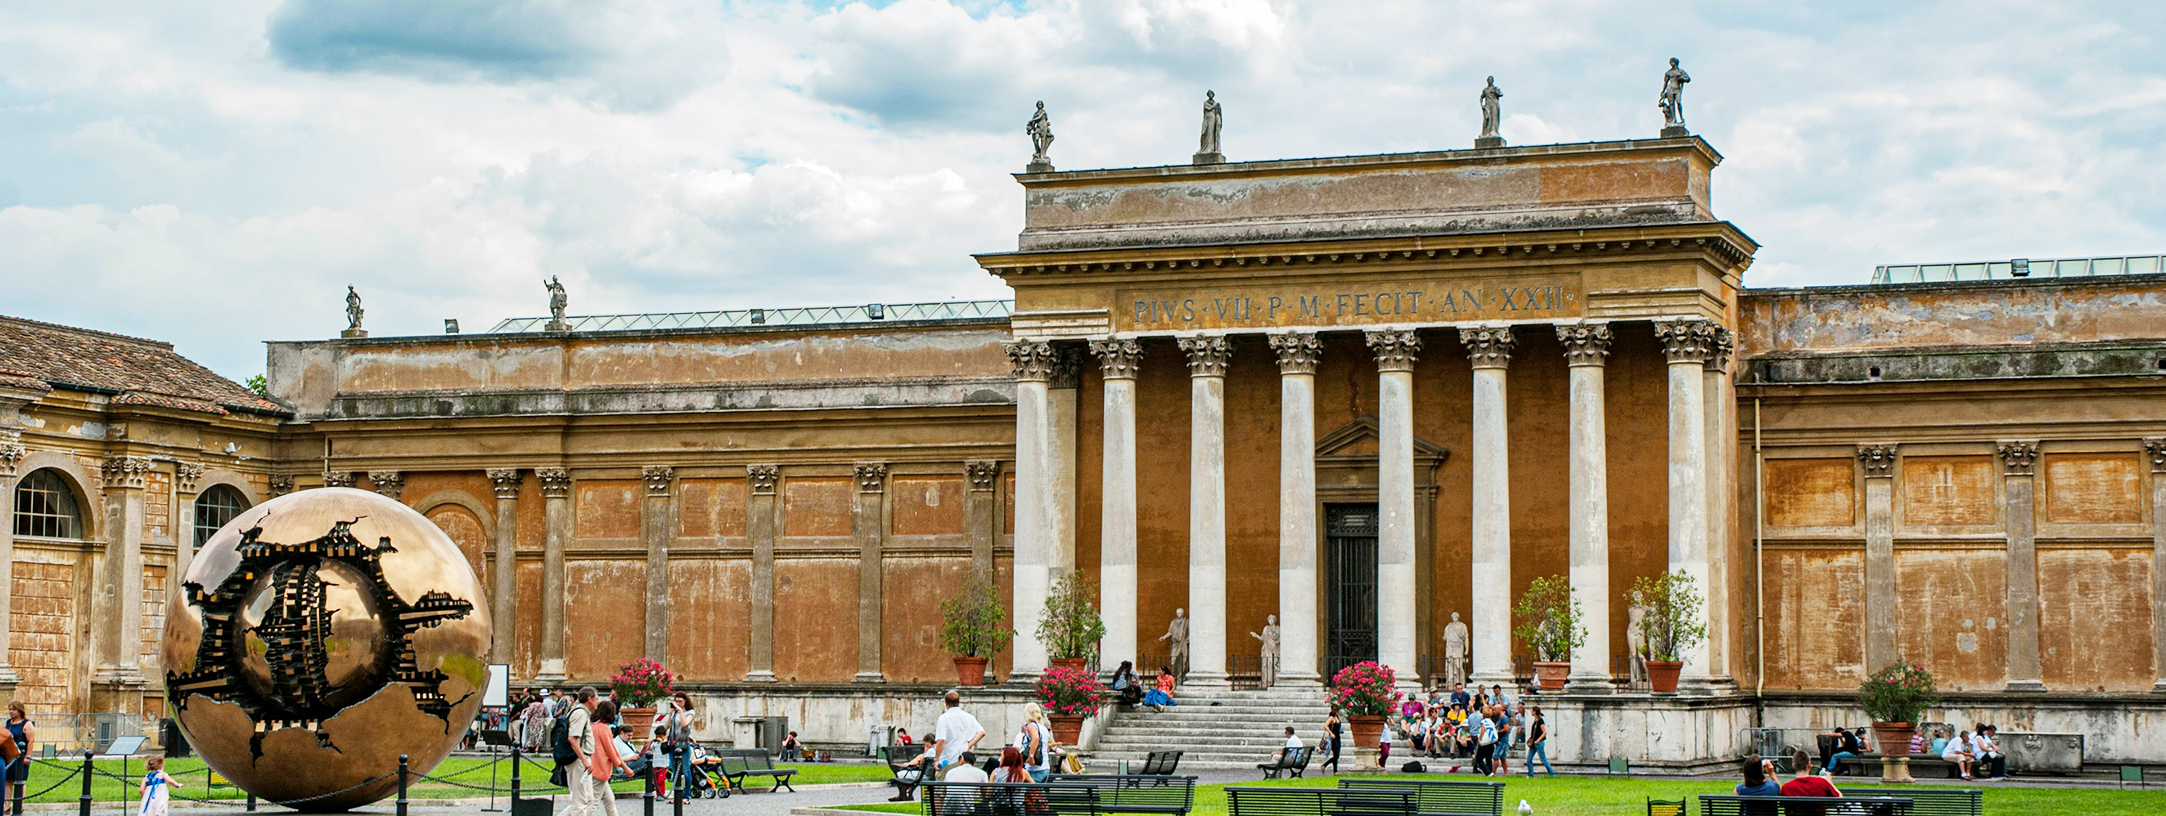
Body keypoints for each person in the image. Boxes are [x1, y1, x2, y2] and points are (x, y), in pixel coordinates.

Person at [585, 701, 633, 816]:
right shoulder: (604, 728)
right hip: (600, 768)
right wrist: (625, 768)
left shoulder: (593, 726)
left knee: (609, 800)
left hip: (593, 766)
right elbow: (611, 751)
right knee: (593, 802)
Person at [564, 688, 602, 816]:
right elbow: (572, 738)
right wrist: (584, 760)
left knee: (588, 798)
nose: (598, 702)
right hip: (578, 759)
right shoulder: (580, 713)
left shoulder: (582, 713)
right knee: (580, 801)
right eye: (596, 698)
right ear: (589, 699)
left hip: (582, 759)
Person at [934, 690, 986, 779]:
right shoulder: (969, 717)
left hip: (947, 759)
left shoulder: (944, 718)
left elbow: (941, 740)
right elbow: (981, 732)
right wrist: (969, 744)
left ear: (946, 703)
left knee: (940, 789)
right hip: (963, 757)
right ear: (959, 702)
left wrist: (936, 759)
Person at [1779, 749, 1841, 815]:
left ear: (1793, 765)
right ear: (1809, 765)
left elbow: (1786, 809)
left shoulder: (1787, 788)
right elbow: (1840, 799)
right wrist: (1829, 782)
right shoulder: (1822, 782)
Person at [662, 692, 695, 793]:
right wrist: (670, 714)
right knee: (675, 770)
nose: (678, 703)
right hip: (672, 743)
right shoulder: (675, 713)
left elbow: (685, 724)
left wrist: (680, 711)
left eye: (680, 701)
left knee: (685, 770)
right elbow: (665, 727)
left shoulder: (690, 712)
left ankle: (686, 794)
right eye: (676, 701)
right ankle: (677, 794)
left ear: (685, 701)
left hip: (683, 744)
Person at [888, 733, 937, 802]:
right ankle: (907, 793)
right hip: (931, 775)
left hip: (925, 776)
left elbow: (922, 764)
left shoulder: (930, 751)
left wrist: (925, 751)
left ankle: (903, 794)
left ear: (928, 742)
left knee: (901, 774)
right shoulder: (937, 750)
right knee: (908, 774)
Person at [1014, 704, 1053, 782]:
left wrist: (1031, 756)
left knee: (1029, 792)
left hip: (1034, 769)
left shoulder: (1031, 726)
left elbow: (1035, 738)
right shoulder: (1043, 727)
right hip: (1044, 766)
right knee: (1038, 793)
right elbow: (1046, 747)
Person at [6, 701, 33, 810]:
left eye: (14, 709)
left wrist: (28, 756)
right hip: (10, 756)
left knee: (20, 780)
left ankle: (20, 805)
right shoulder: (9, 722)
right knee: (7, 780)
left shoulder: (27, 724)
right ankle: (7, 804)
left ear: (20, 710)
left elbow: (31, 741)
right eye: (10, 709)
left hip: (21, 756)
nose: (11, 712)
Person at [1525, 706, 1553, 777]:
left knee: (1543, 759)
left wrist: (1538, 740)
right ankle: (1530, 774)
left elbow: (1544, 732)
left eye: (1532, 710)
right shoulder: (1536, 720)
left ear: (1534, 712)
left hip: (1539, 743)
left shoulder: (1540, 721)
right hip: (1534, 743)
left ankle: (1552, 774)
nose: (1531, 712)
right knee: (1529, 759)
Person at [1473, 705, 1498, 776]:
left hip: (1484, 743)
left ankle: (1488, 773)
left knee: (1478, 759)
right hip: (1491, 743)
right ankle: (1490, 772)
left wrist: (1479, 739)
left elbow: (1483, 731)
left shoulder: (1483, 722)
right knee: (1488, 759)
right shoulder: (1491, 722)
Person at [1321, 708, 1342, 774]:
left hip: (1338, 737)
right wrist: (1331, 733)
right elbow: (1325, 726)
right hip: (1333, 738)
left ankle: (1335, 770)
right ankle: (1324, 765)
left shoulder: (1337, 718)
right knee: (1336, 755)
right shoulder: (1331, 718)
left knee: (1336, 755)